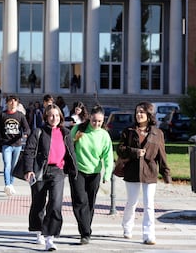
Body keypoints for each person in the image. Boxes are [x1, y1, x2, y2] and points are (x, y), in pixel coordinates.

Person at [22, 104, 78, 251]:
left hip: (58, 172)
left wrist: (74, 171)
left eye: (57, 116)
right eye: (51, 115)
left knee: (55, 204)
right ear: (46, 117)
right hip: (40, 171)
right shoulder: (39, 131)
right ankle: (39, 229)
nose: (54, 118)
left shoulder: (66, 132)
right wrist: (29, 170)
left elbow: (71, 153)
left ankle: (50, 238)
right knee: (38, 203)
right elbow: (29, 151)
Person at [116, 101, 171, 245]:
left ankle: (149, 235)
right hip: (132, 171)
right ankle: (127, 227)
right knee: (132, 202)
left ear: (149, 114)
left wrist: (166, 174)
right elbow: (120, 149)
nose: (139, 114)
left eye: (142, 112)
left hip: (150, 172)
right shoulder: (128, 131)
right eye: (137, 112)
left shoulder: (157, 133)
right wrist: (135, 152)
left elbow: (162, 155)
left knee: (149, 204)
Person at [69, 105, 114, 245]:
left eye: (100, 121)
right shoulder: (79, 129)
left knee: (89, 203)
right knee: (80, 201)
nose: (97, 124)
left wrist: (107, 174)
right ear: (90, 118)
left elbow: (108, 155)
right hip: (78, 171)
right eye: (94, 120)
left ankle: (85, 229)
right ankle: (85, 233)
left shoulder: (104, 135)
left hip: (94, 173)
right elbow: (68, 146)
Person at [0, 95, 31, 196]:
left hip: (17, 144)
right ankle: (7, 184)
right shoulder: (2, 115)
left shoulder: (20, 115)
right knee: (7, 165)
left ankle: (11, 184)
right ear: (7, 103)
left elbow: (27, 128)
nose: (12, 103)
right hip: (6, 144)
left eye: (14, 101)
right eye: (10, 102)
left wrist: (25, 133)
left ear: (17, 103)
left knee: (13, 166)